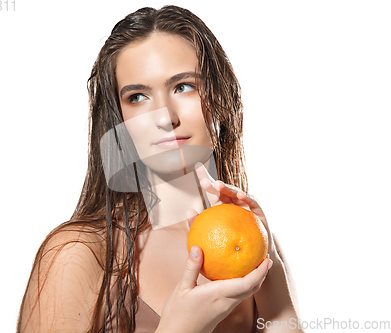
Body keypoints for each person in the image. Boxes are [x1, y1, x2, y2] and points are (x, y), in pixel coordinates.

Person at [16, 5, 301, 333]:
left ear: (220, 95)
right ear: (120, 120)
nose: (165, 116)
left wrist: (273, 273)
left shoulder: (256, 247)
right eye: (137, 97)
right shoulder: (78, 253)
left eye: (183, 87)